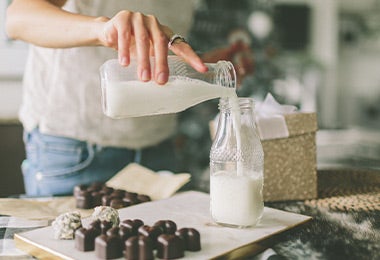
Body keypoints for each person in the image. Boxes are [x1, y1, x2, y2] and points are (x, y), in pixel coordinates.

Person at [5, 0, 253, 196]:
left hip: (158, 148)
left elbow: (156, 56)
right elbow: (18, 18)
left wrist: (201, 65)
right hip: (74, 151)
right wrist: (102, 30)